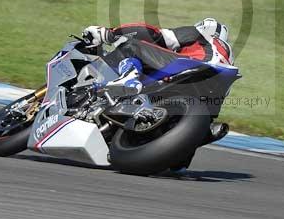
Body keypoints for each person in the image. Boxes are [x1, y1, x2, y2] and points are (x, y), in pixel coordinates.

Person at [82, 18, 233, 144]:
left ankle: (129, 80)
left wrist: (109, 33)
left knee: (131, 46)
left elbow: (156, 35)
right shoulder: (227, 62)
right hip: (206, 102)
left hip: (192, 67)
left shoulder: (200, 35)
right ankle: (181, 155)